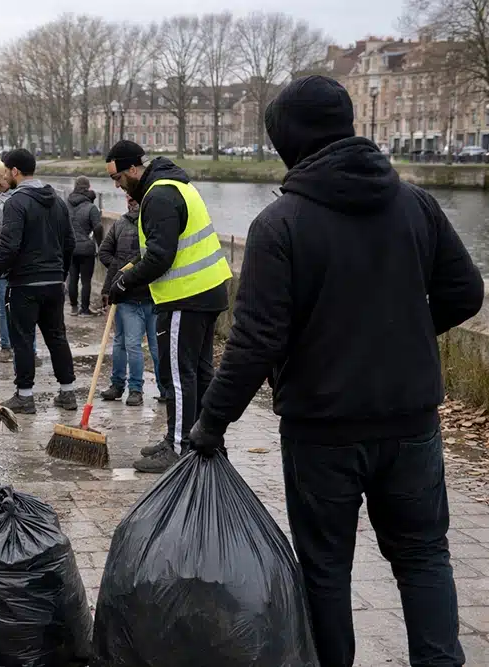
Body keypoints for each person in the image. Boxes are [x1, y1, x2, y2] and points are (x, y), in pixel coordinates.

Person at [189, 75, 484, 667]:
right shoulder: (416, 203)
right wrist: (404, 338)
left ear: (289, 141)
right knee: (425, 556)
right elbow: (466, 292)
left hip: (322, 429)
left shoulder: (282, 224)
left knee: (326, 569)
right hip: (411, 420)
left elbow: (255, 341)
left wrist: (211, 423)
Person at [106, 139, 232, 473]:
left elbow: (161, 256)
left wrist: (126, 282)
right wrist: (127, 270)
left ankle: (178, 447)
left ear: (133, 168)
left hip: (185, 297)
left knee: (177, 374)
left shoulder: (158, 196)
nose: (118, 186)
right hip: (209, 291)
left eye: (117, 178)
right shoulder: (172, 185)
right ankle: (202, 439)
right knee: (201, 372)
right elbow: (156, 249)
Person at [0, 148, 77, 414]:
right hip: (53, 282)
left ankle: (25, 395)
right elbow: (69, 242)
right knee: (57, 337)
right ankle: (67, 392)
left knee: (23, 339)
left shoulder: (16, 202)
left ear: (14, 172)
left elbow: (9, 246)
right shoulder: (58, 201)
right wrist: (61, 273)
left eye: (6, 172)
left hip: (24, 283)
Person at [99, 194, 168, 406]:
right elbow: (104, 252)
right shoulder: (127, 225)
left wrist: (120, 271)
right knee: (133, 344)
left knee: (133, 344)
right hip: (132, 296)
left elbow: (104, 253)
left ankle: (137, 389)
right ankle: (128, 387)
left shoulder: (140, 225)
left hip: (144, 296)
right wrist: (120, 269)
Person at [0, 160, 38, 365]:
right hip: (25, 265)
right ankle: (30, 349)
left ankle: (7, 347)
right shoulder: (23, 199)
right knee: (26, 313)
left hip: (5, 267)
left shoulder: (1, 203)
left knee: (6, 310)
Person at [67, 175, 104, 317]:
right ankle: (85, 309)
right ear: (88, 188)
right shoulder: (91, 207)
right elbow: (99, 227)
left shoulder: (67, 204)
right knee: (86, 280)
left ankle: (74, 308)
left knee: (73, 277)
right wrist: (100, 244)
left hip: (71, 247)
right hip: (86, 248)